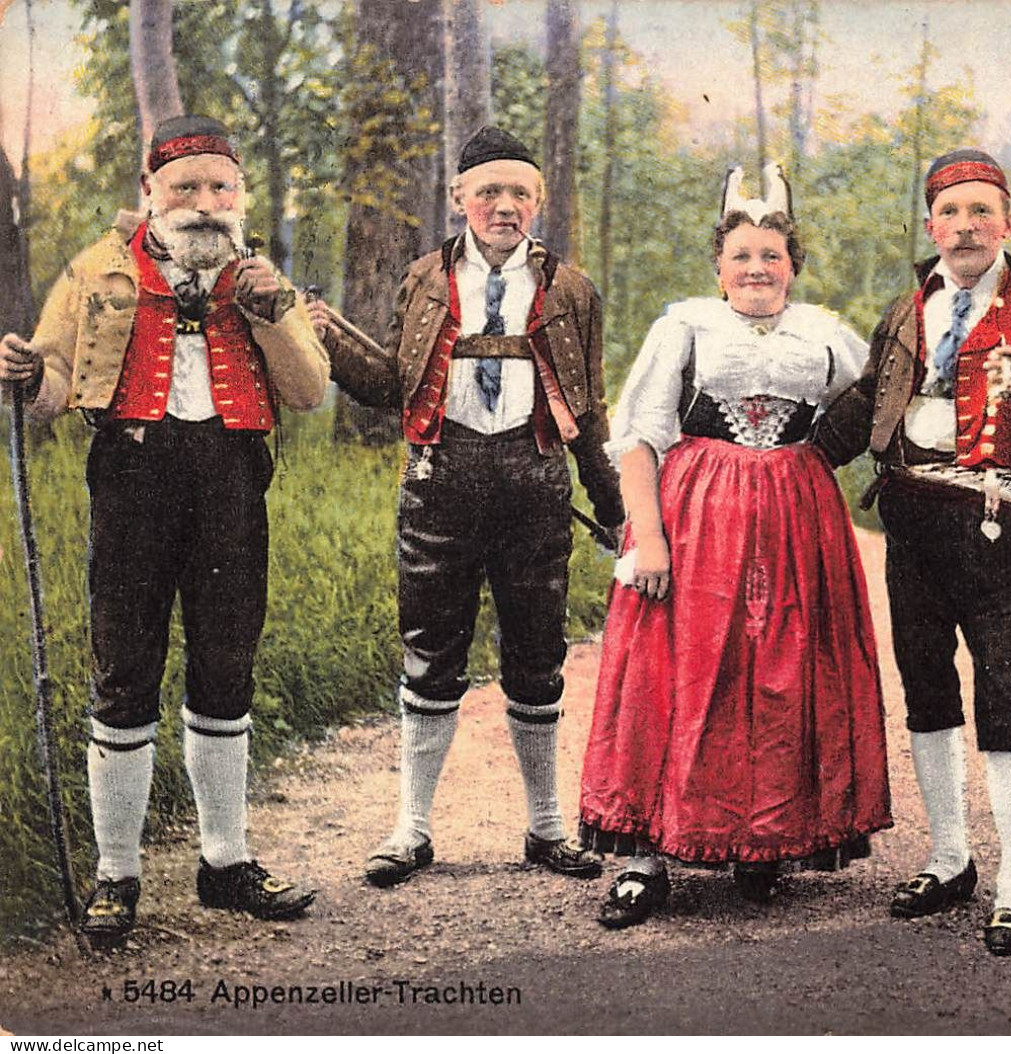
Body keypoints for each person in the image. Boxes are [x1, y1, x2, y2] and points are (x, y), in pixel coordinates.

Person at [0, 115, 329, 947]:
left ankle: (226, 862)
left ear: (239, 197)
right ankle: (118, 873)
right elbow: (55, 378)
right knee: (125, 665)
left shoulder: (259, 278)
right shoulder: (96, 271)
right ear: (149, 193)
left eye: (221, 187)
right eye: (185, 187)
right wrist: (28, 371)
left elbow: (308, 391)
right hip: (132, 475)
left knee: (226, 664)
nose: (204, 202)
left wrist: (267, 311)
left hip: (230, 477)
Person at [815, 149, 1011, 956]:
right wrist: (784, 464)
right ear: (931, 227)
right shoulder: (904, 311)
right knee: (925, 693)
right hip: (910, 515)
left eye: (980, 212)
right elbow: (861, 407)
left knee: (1004, 702)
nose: (964, 226)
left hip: (999, 518)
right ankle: (949, 858)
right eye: (950, 214)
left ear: (1007, 224)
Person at [577, 163, 892, 928]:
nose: (756, 268)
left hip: (796, 517)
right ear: (717, 267)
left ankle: (761, 843)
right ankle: (642, 856)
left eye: (771, 257)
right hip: (696, 514)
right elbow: (640, 438)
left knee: (781, 671)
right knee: (676, 670)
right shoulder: (683, 325)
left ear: (793, 267)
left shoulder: (823, 334)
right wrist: (646, 539)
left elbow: (883, 393)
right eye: (741, 256)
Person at [307, 126, 623, 887]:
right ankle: (410, 830)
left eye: (519, 193)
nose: (504, 206)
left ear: (538, 201)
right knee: (430, 654)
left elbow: (587, 404)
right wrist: (329, 342)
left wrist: (612, 508)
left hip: (536, 481)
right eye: (488, 192)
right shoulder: (420, 279)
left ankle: (547, 829)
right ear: (459, 200)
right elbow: (393, 384)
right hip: (439, 479)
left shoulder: (571, 291)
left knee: (537, 657)